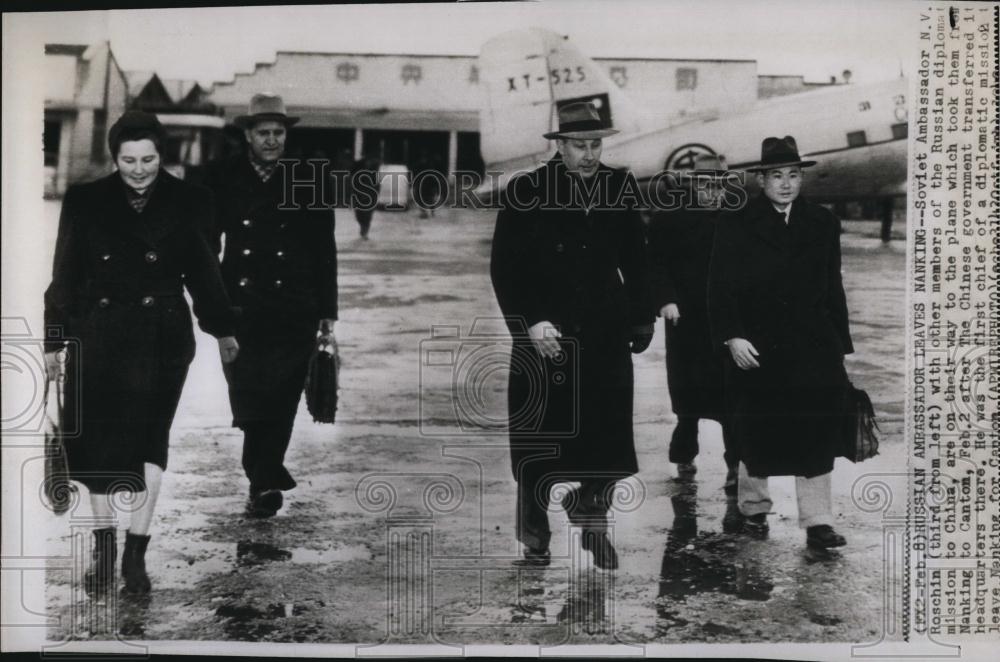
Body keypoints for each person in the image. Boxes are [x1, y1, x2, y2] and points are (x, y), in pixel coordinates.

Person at [43, 110, 239, 595]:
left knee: (151, 442)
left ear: (161, 155)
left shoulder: (193, 200)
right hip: (99, 334)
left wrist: (224, 330)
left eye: (148, 158)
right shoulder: (86, 199)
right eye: (128, 159)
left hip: (163, 336)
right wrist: (52, 340)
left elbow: (204, 272)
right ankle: (103, 550)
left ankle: (136, 553)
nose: (138, 169)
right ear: (115, 157)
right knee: (98, 449)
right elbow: (65, 273)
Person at [490, 101, 654, 570]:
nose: (589, 154)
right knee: (539, 444)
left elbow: (636, 257)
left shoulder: (617, 185)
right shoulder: (527, 190)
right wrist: (531, 322)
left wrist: (642, 317)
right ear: (559, 146)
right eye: (579, 145)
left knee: (609, 439)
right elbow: (506, 268)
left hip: (604, 329)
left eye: (595, 144)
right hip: (546, 334)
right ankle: (534, 539)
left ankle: (592, 517)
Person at [707, 135, 853, 550]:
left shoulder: (822, 222)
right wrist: (732, 336)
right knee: (758, 427)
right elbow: (720, 287)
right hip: (758, 345)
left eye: (793, 175)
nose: (786, 183)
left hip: (812, 345)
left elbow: (833, 284)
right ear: (760, 180)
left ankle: (818, 521)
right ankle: (754, 510)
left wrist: (839, 345)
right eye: (776, 176)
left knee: (815, 428)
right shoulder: (736, 223)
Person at [204, 93, 338, 518]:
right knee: (248, 394)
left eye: (278, 132)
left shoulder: (309, 177)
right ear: (247, 134)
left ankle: (263, 481)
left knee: (282, 397)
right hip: (240, 307)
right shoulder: (221, 176)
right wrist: (211, 303)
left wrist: (327, 312)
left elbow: (324, 248)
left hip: (294, 305)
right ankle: (260, 471)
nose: (272, 139)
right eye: (263, 132)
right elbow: (207, 242)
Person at [647, 154, 743, 532]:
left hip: (725, 321)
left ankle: (736, 462)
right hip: (685, 319)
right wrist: (665, 298)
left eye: (718, 184)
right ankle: (684, 443)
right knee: (688, 393)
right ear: (691, 184)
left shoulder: (736, 219)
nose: (712, 192)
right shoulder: (669, 217)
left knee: (731, 395)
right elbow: (655, 262)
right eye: (705, 184)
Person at [351, 152, 381, 240]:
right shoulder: (358, 169)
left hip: (370, 196)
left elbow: (377, 184)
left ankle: (365, 230)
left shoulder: (374, 171)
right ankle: (362, 227)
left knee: (367, 215)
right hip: (359, 194)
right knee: (359, 214)